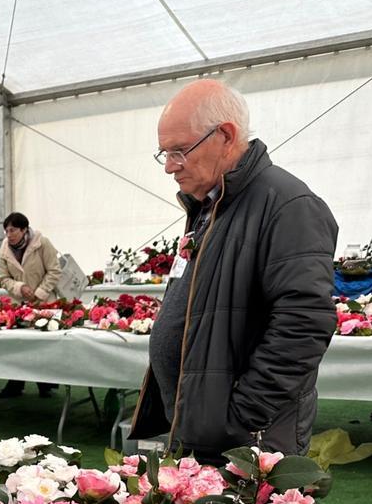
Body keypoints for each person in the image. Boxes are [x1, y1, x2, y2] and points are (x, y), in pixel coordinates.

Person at [131, 79, 338, 461]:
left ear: (225, 136)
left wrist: (241, 416)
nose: (170, 167)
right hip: (203, 425)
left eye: (179, 151)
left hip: (245, 438)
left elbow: (304, 323)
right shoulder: (211, 204)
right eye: (165, 154)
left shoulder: (289, 205)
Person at [0, 211, 70, 398]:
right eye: (6, 231)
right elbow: (3, 278)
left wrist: (39, 293)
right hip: (19, 303)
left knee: (42, 345)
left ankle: (45, 384)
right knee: (16, 345)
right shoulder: (4, 249)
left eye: (13, 230)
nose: (9, 234)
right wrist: (20, 288)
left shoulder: (42, 243)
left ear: (24, 230)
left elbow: (54, 270)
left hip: (44, 303)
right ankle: (15, 384)